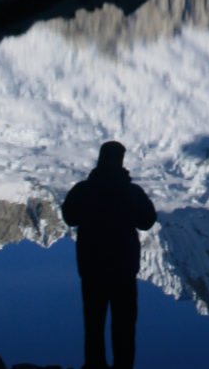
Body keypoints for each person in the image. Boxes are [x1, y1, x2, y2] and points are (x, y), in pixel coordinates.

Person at [62, 141, 157, 369]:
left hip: (92, 270)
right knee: (124, 326)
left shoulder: (83, 190)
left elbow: (69, 217)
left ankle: (94, 366)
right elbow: (147, 221)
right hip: (123, 271)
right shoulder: (131, 193)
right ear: (121, 162)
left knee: (93, 324)